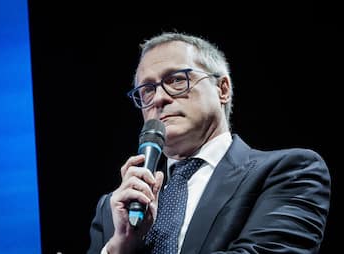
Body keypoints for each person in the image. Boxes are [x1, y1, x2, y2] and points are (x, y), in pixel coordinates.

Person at [86, 32, 331, 254]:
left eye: (176, 80)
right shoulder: (114, 209)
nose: (159, 98)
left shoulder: (290, 172)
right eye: (147, 90)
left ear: (222, 89)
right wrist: (119, 247)